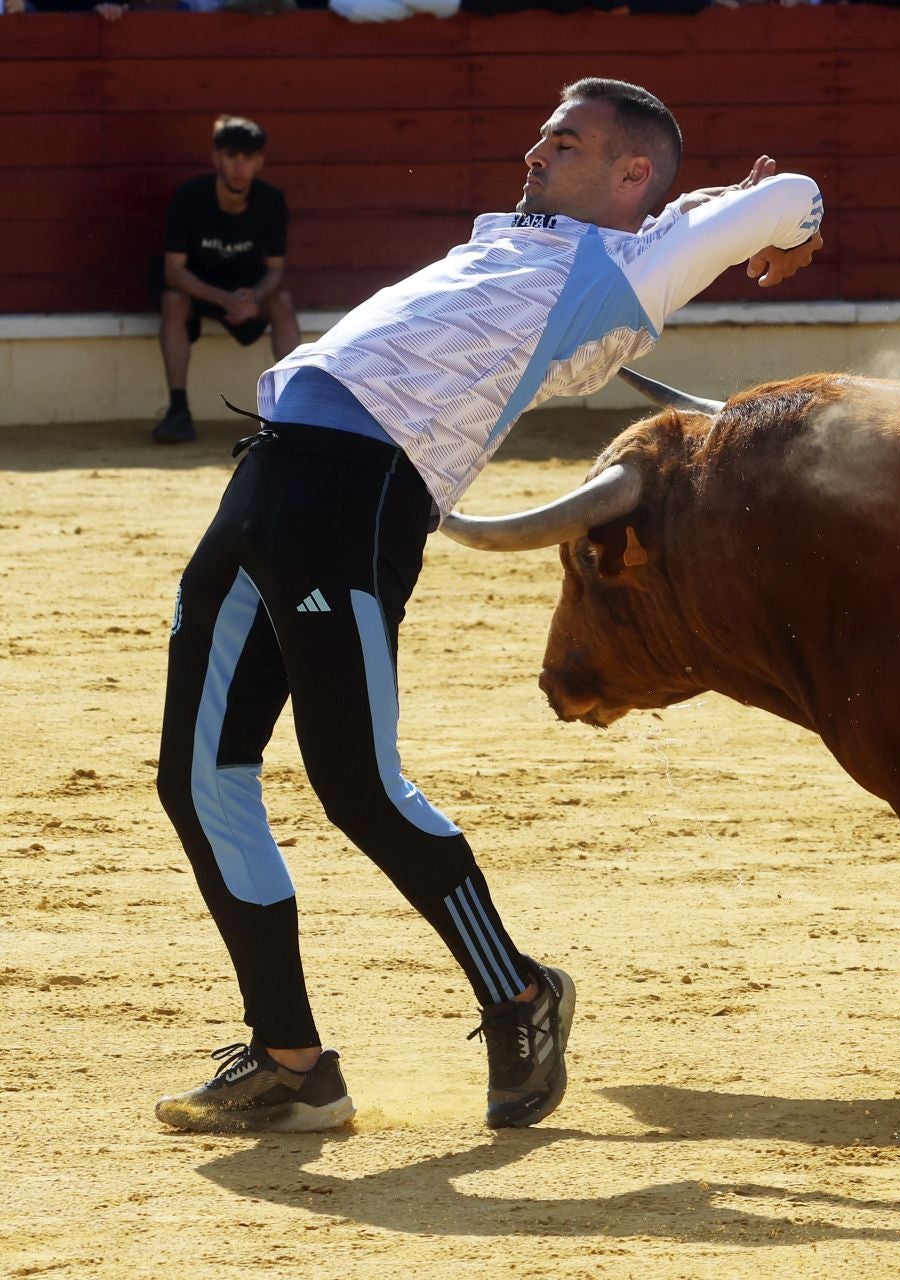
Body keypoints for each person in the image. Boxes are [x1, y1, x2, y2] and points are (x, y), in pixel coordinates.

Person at [152, 77, 824, 1134]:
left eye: (564, 141)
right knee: (196, 775)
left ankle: (519, 992)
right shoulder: (539, 242)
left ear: (632, 172)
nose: (533, 150)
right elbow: (731, 206)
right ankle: (291, 1060)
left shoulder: (621, 273)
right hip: (268, 474)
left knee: (358, 784)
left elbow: (790, 189)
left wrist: (774, 227)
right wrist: (712, 218)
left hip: (359, 489)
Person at [153, 116, 298, 445]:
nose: (239, 166)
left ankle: (294, 413)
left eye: (248, 157)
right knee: (173, 301)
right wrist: (224, 299)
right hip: (198, 286)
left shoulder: (270, 201)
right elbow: (173, 271)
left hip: (245, 287)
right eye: (232, 155)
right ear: (216, 158)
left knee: (283, 302)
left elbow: (275, 269)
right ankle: (178, 410)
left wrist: (254, 298)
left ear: (259, 162)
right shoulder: (190, 197)